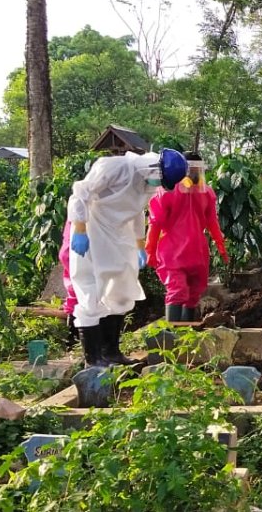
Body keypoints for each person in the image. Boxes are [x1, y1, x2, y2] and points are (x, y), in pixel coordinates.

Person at [68, 149, 187, 367]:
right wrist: (80, 228)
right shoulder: (114, 167)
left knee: (121, 291)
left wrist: (140, 245)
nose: (157, 184)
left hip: (119, 236)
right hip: (92, 231)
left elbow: (137, 213)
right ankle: (93, 359)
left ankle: (111, 352)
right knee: (90, 290)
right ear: (154, 168)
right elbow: (81, 192)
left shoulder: (146, 183)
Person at [146, 152, 229, 322]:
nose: (194, 174)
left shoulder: (206, 193)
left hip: (195, 252)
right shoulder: (166, 191)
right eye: (191, 170)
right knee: (177, 290)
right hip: (174, 253)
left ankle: (186, 332)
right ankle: (172, 334)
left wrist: (220, 243)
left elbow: (212, 221)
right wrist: (150, 251)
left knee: (193, 293)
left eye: (197, 170)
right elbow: (156, 223)